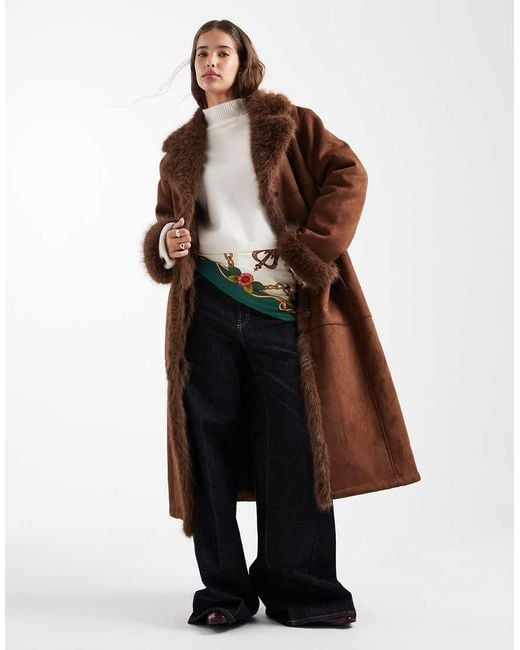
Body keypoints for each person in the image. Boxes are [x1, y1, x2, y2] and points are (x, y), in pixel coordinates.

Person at [142, 18, 421, 629]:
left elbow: (349, 174)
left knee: (295, 447)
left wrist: (310, 251)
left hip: (281, 310)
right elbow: (165, 220)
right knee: (206, 448)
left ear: (244, 62)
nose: (210, 62)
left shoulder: (288, 122)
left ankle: (305, 591)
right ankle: (224, 593)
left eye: (223, 52)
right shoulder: (180, 149)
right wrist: (167, 241)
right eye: (201, 53)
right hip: (206, 309)